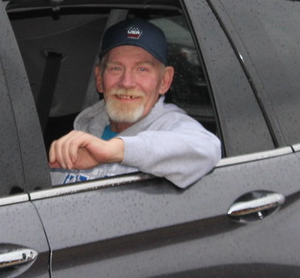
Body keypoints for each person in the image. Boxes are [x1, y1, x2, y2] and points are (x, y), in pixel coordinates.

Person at [48, 18, 221, 188]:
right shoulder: (81, 133)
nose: (127, 83)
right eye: (116, 68)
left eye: (142, 69)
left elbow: (206, 149)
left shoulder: (173, 127)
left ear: (165, 80)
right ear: (99, 79)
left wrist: (115, 150)